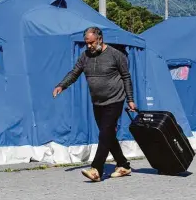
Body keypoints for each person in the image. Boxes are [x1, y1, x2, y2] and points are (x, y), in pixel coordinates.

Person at [53, 26, 136, 182]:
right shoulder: (85, 56)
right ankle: (123, 165)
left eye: (91, 43)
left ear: (100, 39)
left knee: (105, 133)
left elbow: (126, 77)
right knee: (108, 135)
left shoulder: (115, 55)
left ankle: (96, 169)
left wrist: (130, 99)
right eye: (87, 43)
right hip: (97, 102)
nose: (89, 46)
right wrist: (62, 85)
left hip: (115, 100)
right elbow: (74, 72)